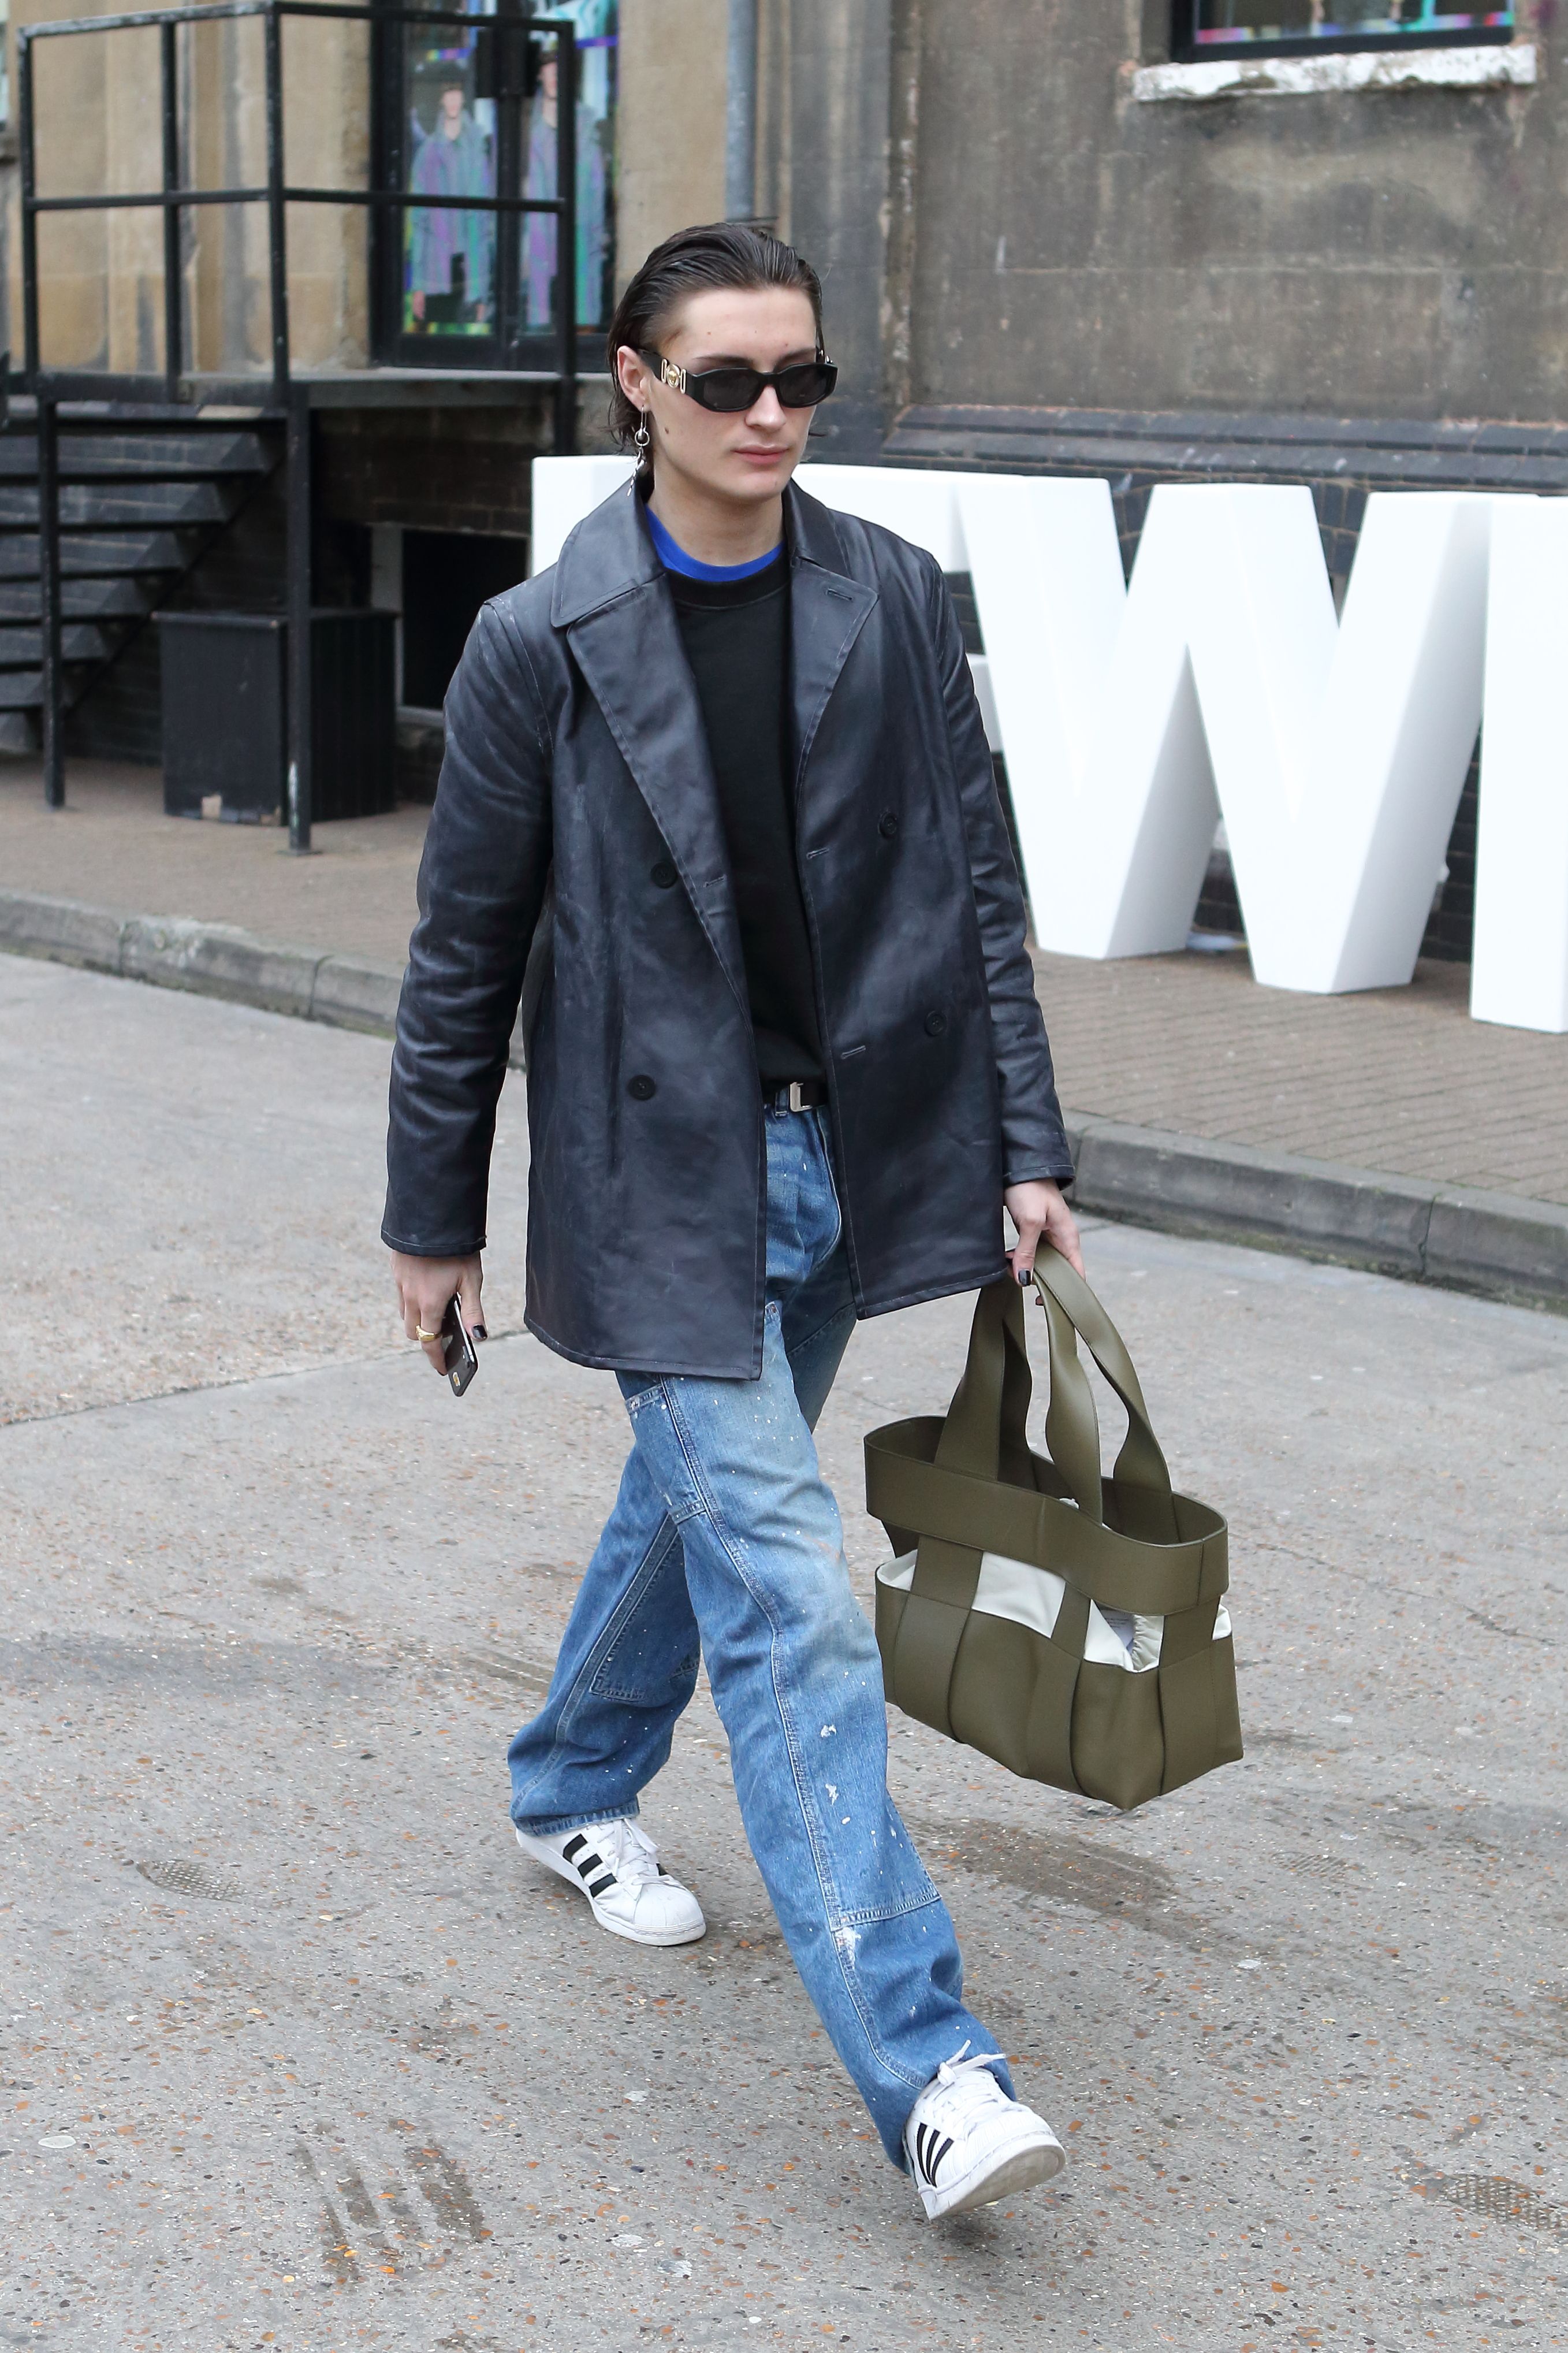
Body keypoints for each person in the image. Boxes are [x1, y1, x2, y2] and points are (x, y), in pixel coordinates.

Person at [383, 221, 1084, 2222]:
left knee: (698, 1504)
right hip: (649, 1180)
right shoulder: (540, 643)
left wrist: (1022, 1141)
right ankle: (935, 2069)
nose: (772, 416)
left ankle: (567, 1782)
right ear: (634, 384)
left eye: (803, 382)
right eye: (728, 383)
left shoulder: (890, 594)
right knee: (786, 1587)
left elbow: (975, 893)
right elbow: (460, 958)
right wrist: (430, 1223)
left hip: (844, 1155)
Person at [408, 79, 493, 330]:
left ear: (463, 99)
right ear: (442, 101)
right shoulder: (427, 153)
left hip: (469, 265)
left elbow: (486, 223)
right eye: (449, 95)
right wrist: (418, 285)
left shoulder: (478, 149)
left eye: (457, 94)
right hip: (437, 266)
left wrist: (483, 290)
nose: (453, 100)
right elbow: (419, 222)